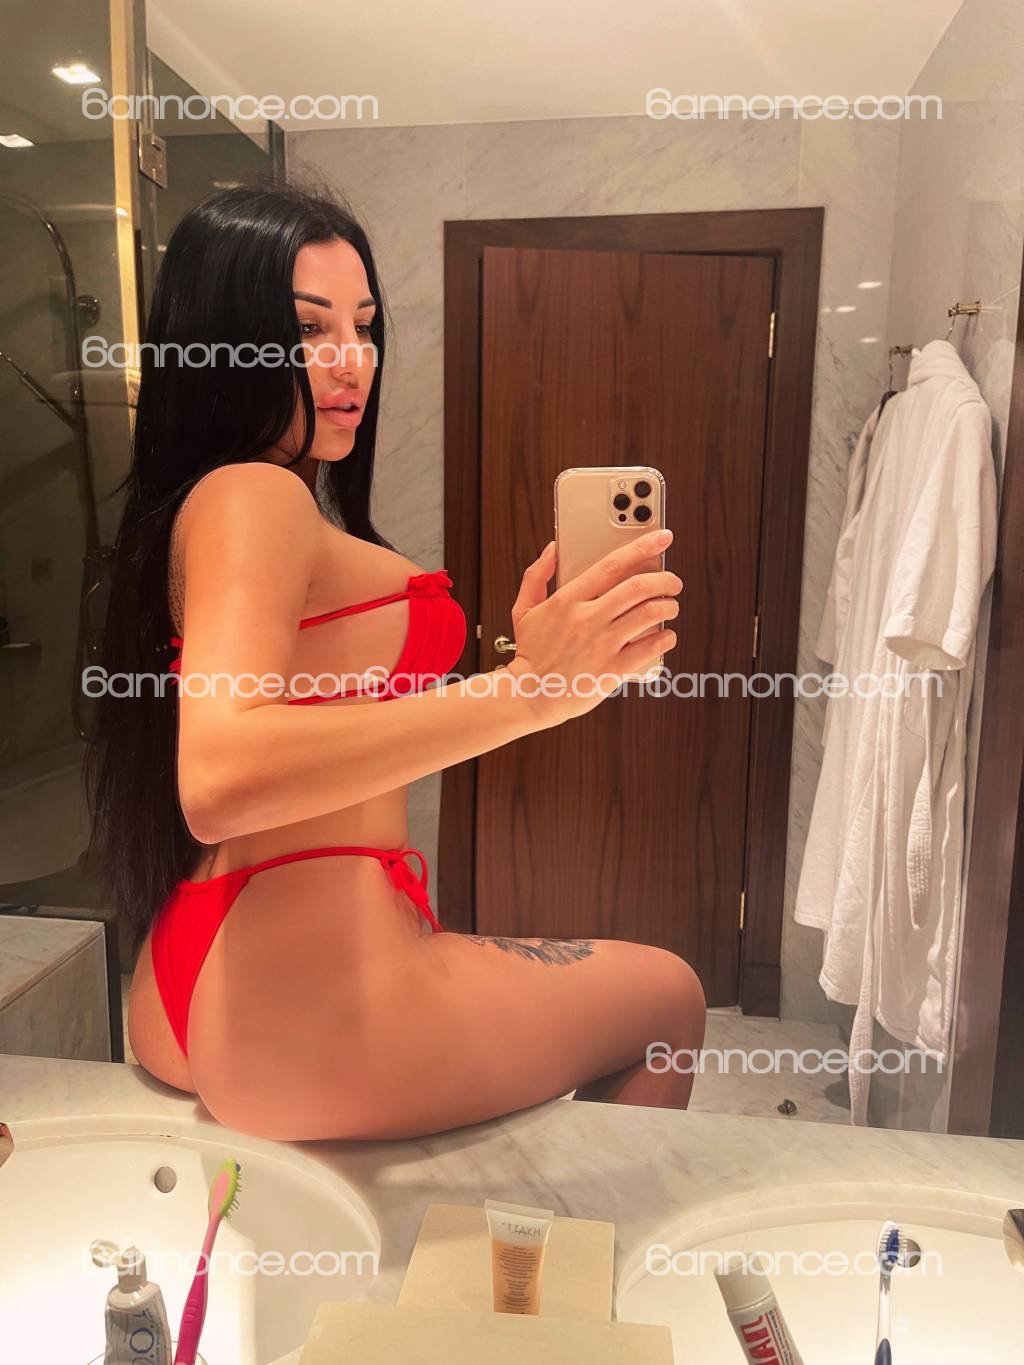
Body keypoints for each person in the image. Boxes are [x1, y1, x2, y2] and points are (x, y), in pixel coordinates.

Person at [86, 182, 705, 1141]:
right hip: (307, 1002)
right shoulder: (256, 495)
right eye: (310, 327)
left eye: (366, 326)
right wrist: (526, 693)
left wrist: (538, 670)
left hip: (202, 968)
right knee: (669, 997)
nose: (352, 360)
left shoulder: (225, 502)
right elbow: (220, 775)